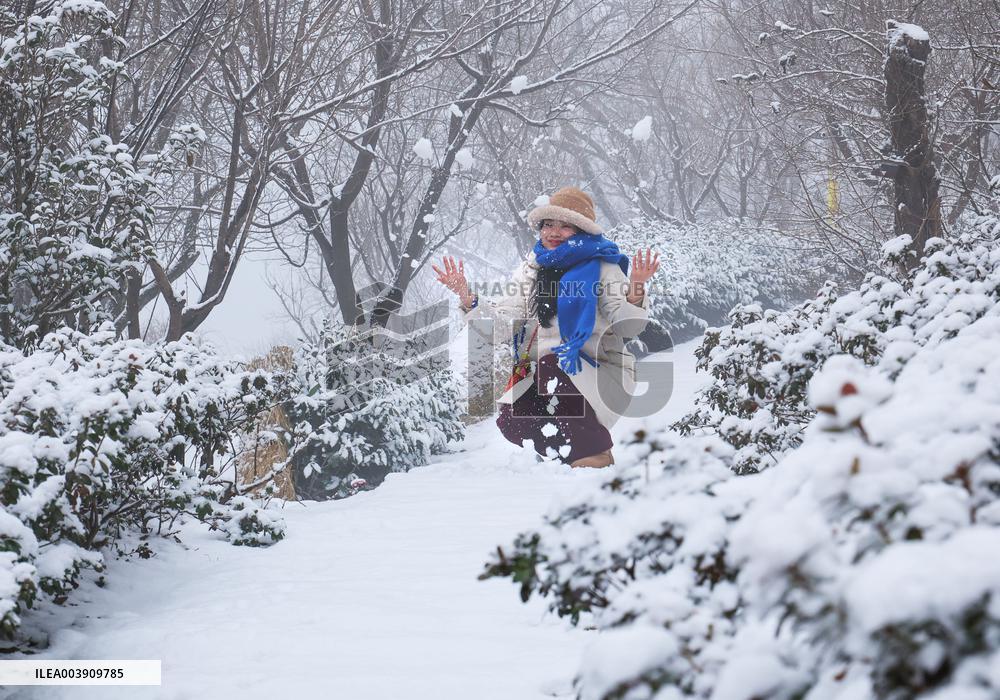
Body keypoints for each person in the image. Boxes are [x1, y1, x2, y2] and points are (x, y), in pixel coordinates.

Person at [433, 186, 659, 468]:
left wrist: (636, 287)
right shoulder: (532, 269)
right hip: (547, 374)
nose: (554, 232)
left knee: (555, 362)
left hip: (601, 372)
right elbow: (503, 326)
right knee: (511, 418)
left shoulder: (602, 267)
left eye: (565, 226)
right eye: (548, 224)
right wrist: (467, 297)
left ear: (582, 232)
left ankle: (594, 455)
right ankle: (565, 455)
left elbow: (629, 328)